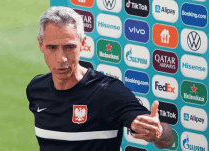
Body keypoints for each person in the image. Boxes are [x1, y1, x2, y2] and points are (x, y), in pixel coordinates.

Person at [26, 6, 174, 151]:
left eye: (69, 47)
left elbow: (168, 138)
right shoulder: (36, 89)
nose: (61, 58)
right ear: (41, 45)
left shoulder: (108, 91)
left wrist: (159, 133)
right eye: (52, 48)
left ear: (83, 44)